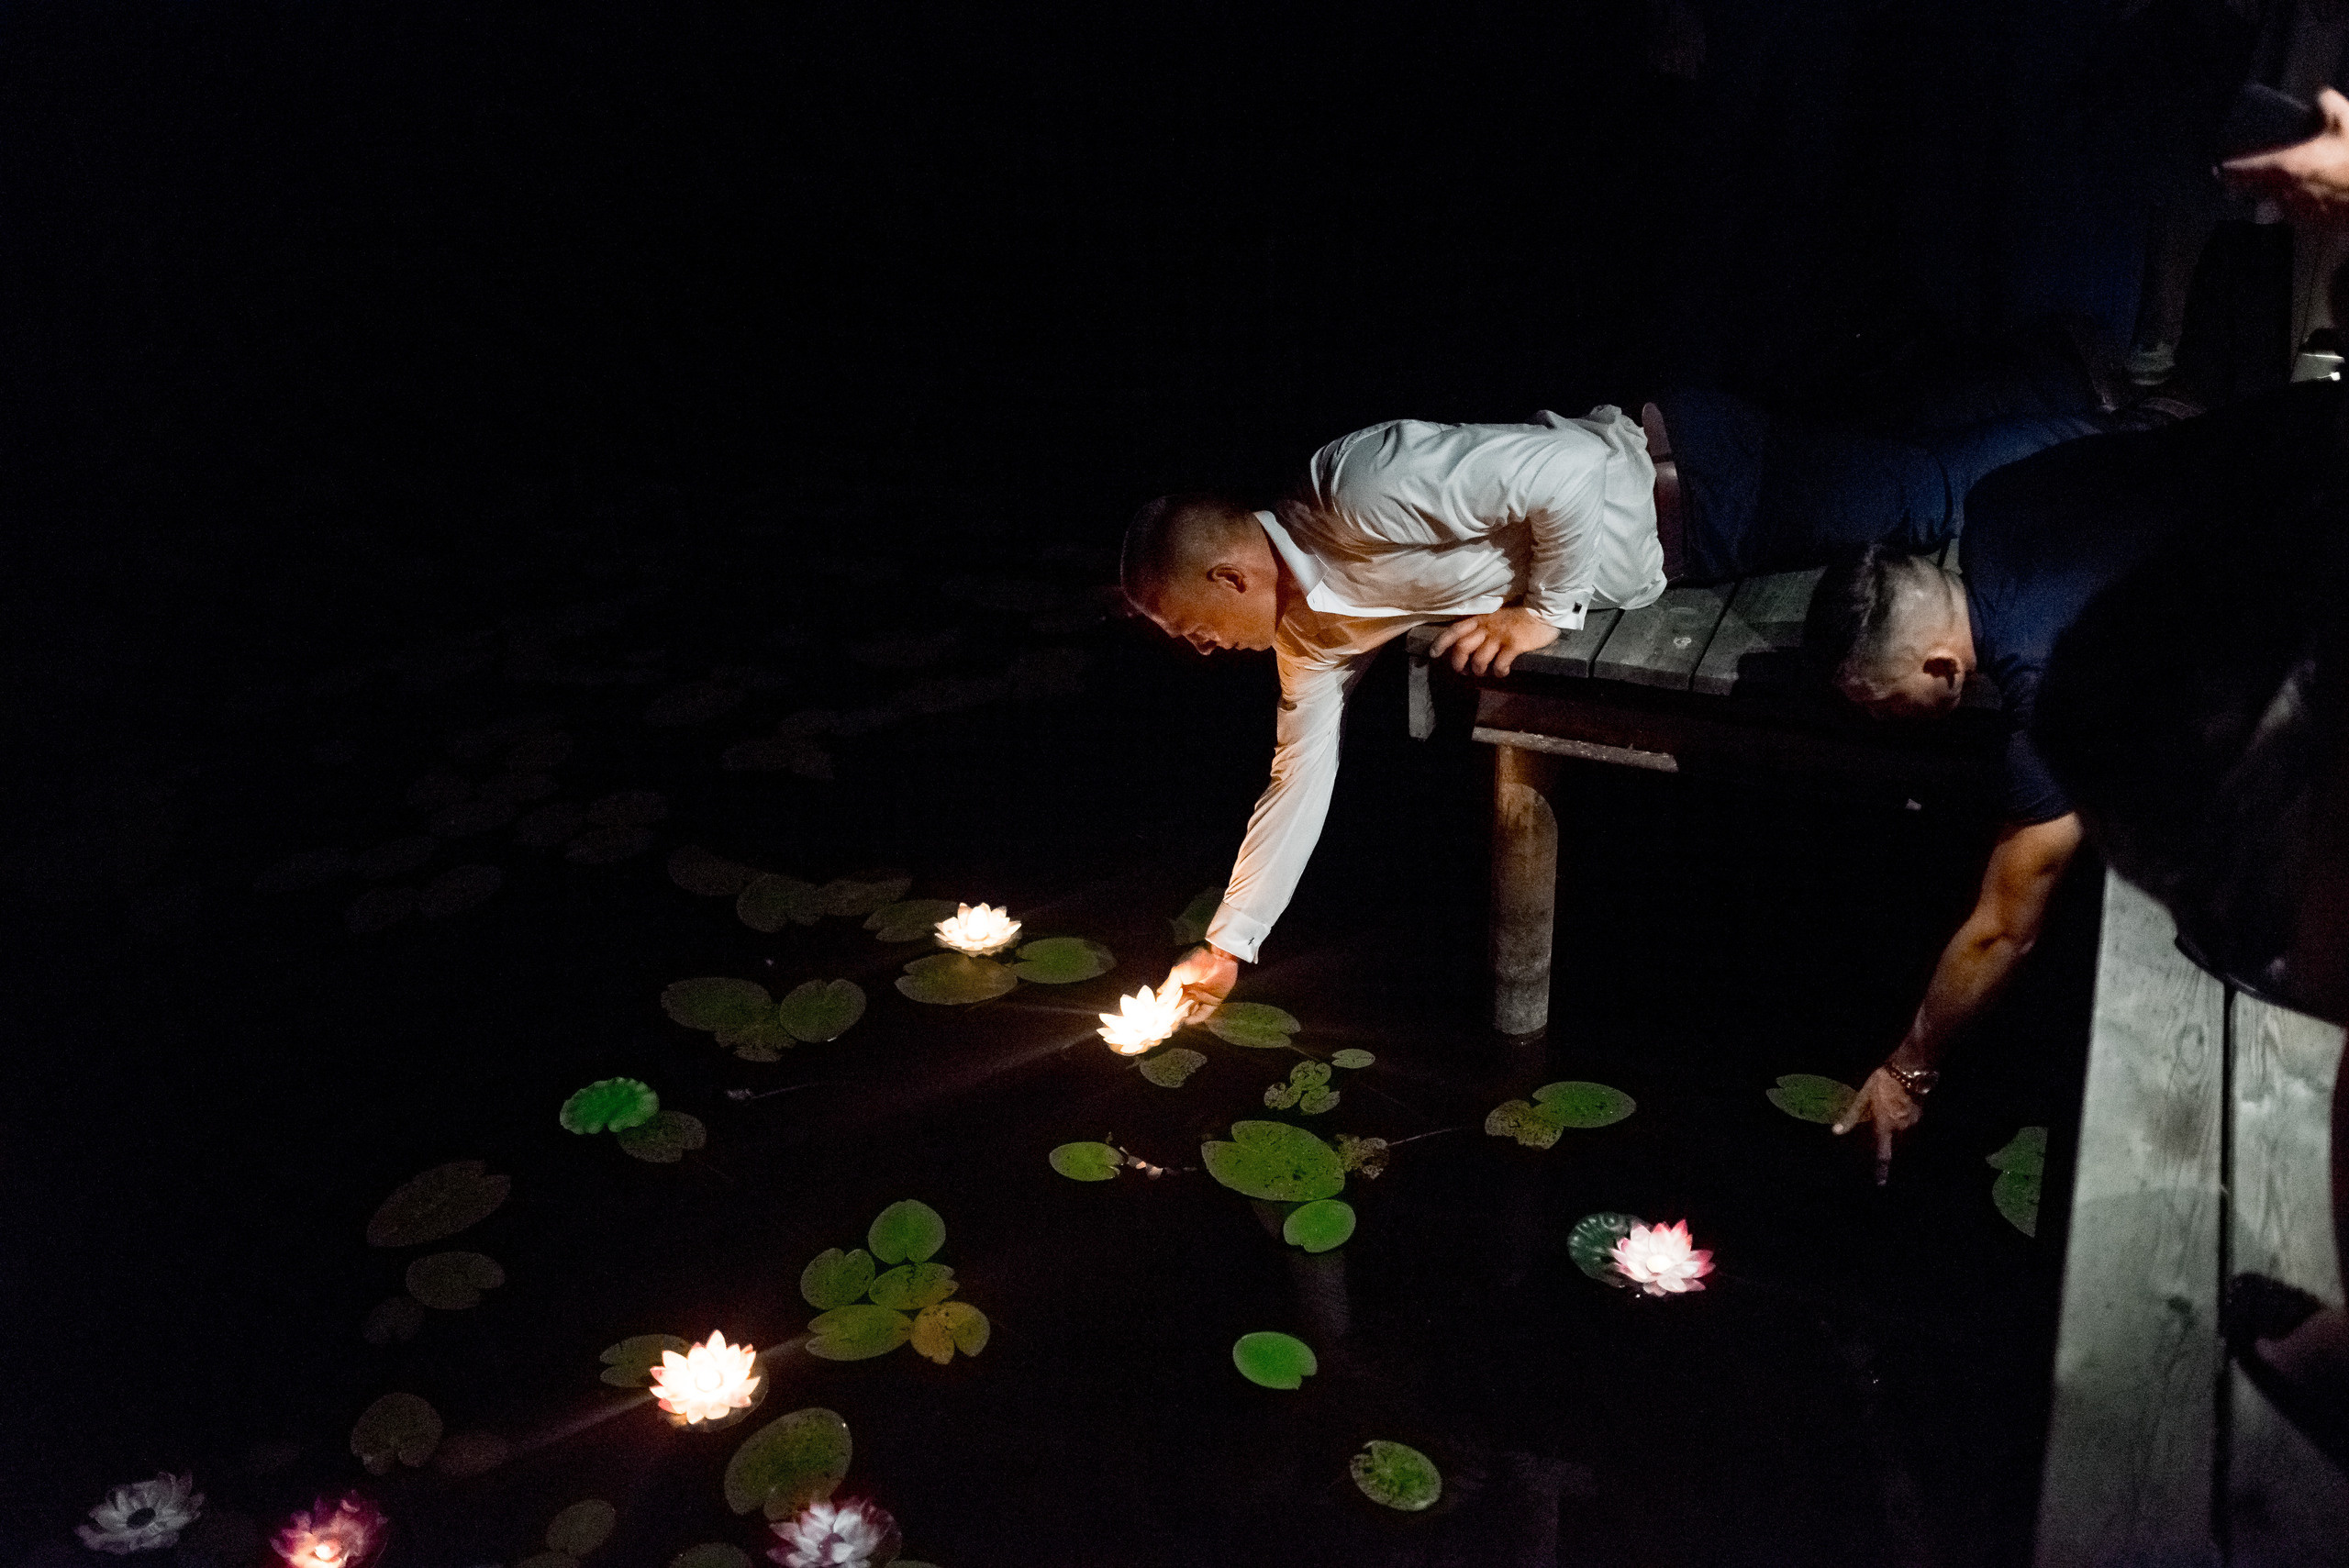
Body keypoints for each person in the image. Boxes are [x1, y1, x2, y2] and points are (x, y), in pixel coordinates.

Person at [1802, 373, 2343, 1180]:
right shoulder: (1995, 504)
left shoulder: (2039, 679)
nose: (1879, 722)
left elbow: (2004, 926)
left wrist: (1910, 1063)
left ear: (1941, 664)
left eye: (1883, 704)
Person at [1128, 406, 1671, 1013]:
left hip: (1693, 480)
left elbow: (1571, 466)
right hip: (1679, 563)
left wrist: (1542, 614)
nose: (1203, 649)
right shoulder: (1306, 639)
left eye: (1193, 629)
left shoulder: (1355, 488)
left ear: (1228, 578)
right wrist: (1226, 947)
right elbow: (1297, 780)